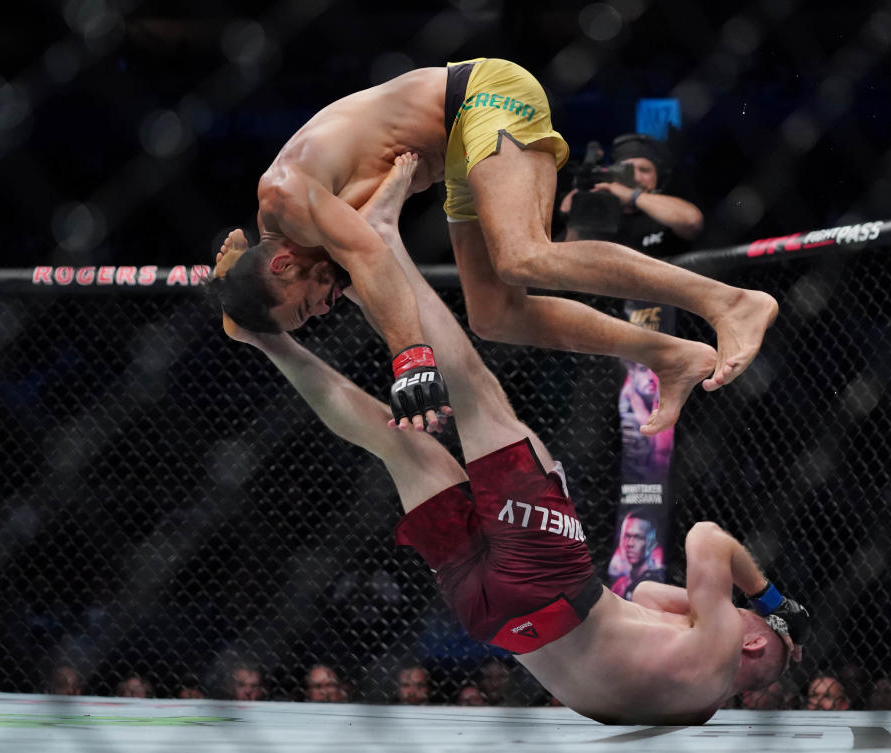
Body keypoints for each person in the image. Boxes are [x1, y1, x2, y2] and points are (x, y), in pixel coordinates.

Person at [212, 155, 807, 725]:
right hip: (492, 619)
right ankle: (267, 342)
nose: (737, 614)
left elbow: (708, 542)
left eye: (747, 623)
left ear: (752, 645)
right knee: (396, 443)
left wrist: (778, 606)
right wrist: (735, 619)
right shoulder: (695, 698)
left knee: (475, 392)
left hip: (547, 583)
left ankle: (381, 240)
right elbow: (649, 591)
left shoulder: (727, 644)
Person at [210, 57, 778, 436]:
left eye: (309, 306)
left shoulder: (286, 196)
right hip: (457, 152)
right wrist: (233, 294)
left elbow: (374, 256)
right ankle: (669, 355)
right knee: (493, 314)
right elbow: (336, 272)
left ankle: (728, 301)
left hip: (479, 98)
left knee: (524, 254)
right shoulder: (291, 243)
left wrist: (410, 360)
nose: (326, 309)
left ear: (283, 264)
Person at [559, 132, 703, 253]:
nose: (636, 177)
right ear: (613, 174)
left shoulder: (668, 214)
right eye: (626, 170)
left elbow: (691, 222)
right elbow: (566, 263)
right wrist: (573, 219)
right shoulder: (597, 213)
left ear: (658, 178)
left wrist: (632, 195)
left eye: (644, 170)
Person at [607, 513, 665, 598]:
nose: (630, 544)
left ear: (652, 543)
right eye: (627, 536)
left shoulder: (656, 581)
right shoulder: (619, 584)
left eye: (638, 537)